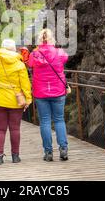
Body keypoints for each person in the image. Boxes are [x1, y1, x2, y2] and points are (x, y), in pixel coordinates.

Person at [0, 39, 32, 165]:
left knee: (0, 129)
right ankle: (15, 156)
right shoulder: (19, 64)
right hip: (15, 100)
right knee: (15, 129)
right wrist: (28, 99)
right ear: (13, 49)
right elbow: (25, 84)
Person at [28, 29, 69, 162]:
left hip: (41, 92)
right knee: (59, 119)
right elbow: (65, 58)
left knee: (45, 121)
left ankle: (48, 152)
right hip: (58, 91)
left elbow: (29, 64)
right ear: (52, 39)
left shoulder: (34, 54)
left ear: (39, 39)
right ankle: (63, 149)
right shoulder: (59, 52)